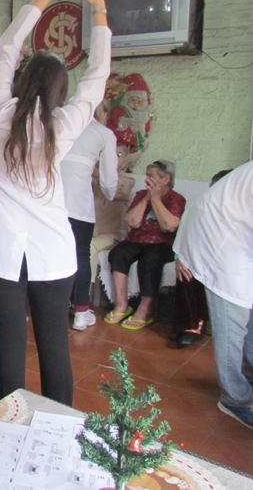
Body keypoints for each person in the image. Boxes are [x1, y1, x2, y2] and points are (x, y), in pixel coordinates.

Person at [0, 0, 110, 405]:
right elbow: (96, 79)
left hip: (0, 255)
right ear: (59, 91)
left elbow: (4, 49)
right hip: (53, 254)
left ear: (22, 80)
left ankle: (10, 428)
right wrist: (98, 9)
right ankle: (58, 431)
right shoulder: (63, 124)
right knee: (55, 351)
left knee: (9, 353)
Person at [172, 162, 253, 429]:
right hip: (220, 238)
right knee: (233, 321)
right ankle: (235, 398)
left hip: (240, 238)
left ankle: (249, 377)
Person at [105, 160, 186, 329]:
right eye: (147, 176)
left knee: (149, 260)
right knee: (118, 253)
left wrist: (156, 200)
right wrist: (146, 199)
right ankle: (121, 304)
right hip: (137, 240)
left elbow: (169, 226)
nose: (146, 179)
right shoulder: (141, 194)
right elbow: (132, 222)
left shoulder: (176, 199)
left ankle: (146, 309)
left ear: (166, 179)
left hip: (162, 243)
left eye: (151, 176)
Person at [61, 104, 119, 330]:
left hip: (51, 203)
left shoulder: (63, 126)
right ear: (102, 113)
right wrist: (109, 193)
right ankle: (81, 312)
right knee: (81, 255)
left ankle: (53, 307)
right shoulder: (103, 133)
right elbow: (109, 181)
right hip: (78, 205)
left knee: (54, 253)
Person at [171, 169, 232, 348]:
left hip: (226, 259)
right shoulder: (200, 208)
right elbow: (185, 233)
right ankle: (189, 326)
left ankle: (200, 323)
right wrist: (179, 256)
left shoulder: (237, 211)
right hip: (198, 255)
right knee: (186, 271)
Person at [89, 145, 135, 291]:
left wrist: (97, 174)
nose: (113, 157)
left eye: (119, 155)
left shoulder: (128, 180)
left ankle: (83, 294)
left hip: (112, 235)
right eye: (110, 153)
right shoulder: (94, 180)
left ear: (125, 163)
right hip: (91, 232)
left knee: (89, 246)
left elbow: (116, 189)